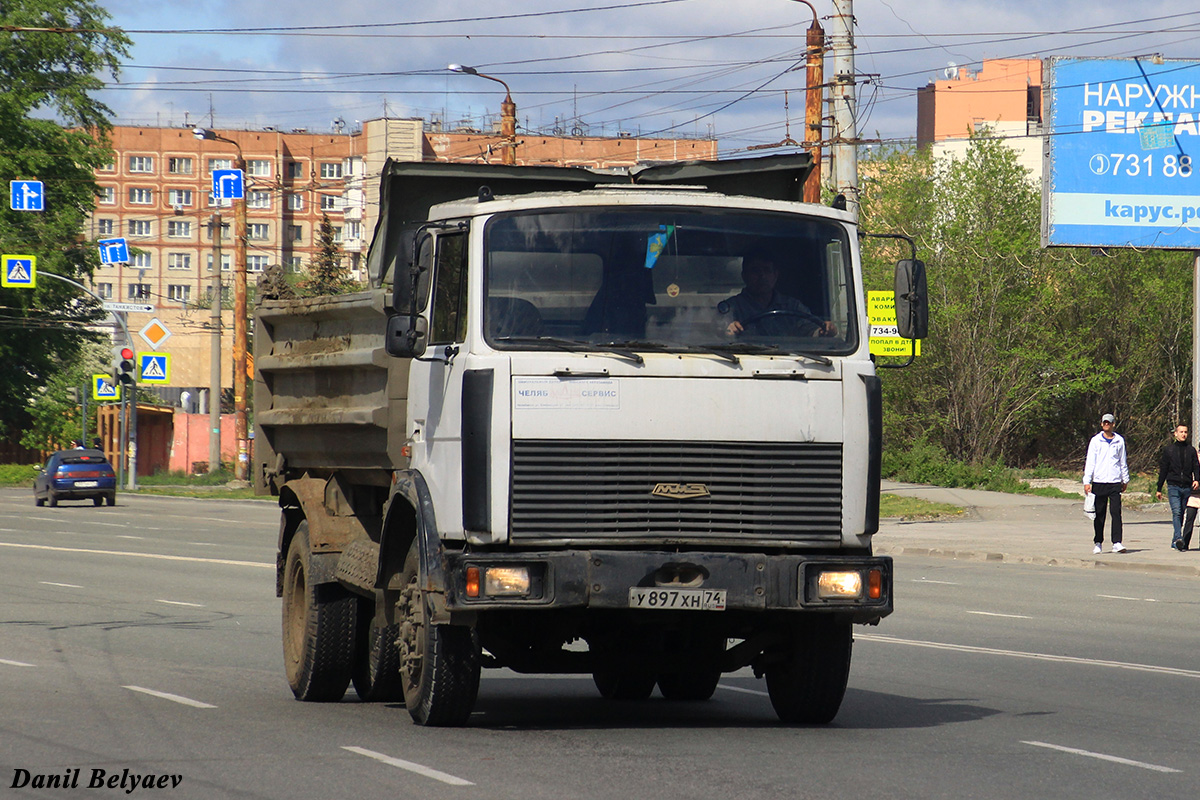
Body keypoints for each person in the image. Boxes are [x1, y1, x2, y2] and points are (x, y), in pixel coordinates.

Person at [722, 254, 836, 338]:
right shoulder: (731, 308)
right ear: (744, 276)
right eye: (755, 271)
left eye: (767, 270)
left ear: (775, 275)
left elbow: (809, 329)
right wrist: (728, 330)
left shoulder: (792, 306)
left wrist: (823, 331)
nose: (762, 276)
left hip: (792, 362)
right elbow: (717, 332)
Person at [1083, 413, 1130, 554]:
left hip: (1114, 482)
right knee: (1099, 514)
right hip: (1099, 481)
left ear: (1113, 424)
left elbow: (1123, 461)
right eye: (1104, 423)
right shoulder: (1096, 441)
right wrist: (1087, 481)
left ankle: (1117, 542)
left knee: (1116, 513)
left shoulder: (1119, 441)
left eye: (1109, 422)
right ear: (1101, 424)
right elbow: (1090, 462)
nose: (1106, 425)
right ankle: (1098, 542)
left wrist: (1125, 479)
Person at [1155, 423, 1199, 550]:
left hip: (1186, 486)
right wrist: (1159, 488)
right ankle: (1179, 538)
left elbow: (1196, 466)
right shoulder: (1169, 450)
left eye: (1185, 432)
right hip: (1173, 486)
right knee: (1177, 512)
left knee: (1181, 513)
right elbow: (1163, 469)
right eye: (1181, 432)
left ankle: (1175, 541)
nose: (1183, 434)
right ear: (1175, 434)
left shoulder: (1191, 450)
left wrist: (1197, 480)